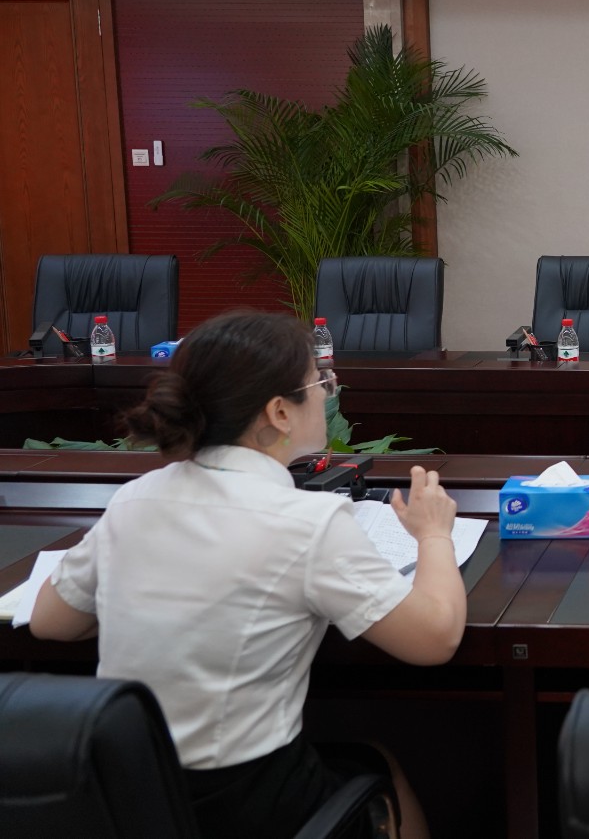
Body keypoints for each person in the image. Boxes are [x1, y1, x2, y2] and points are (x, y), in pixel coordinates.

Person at [30, 310, 467, 839]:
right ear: (279, 412)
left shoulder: (135, 499)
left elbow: (51, 621)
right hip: (241, 805)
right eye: (320, 382)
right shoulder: (308, 521)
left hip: (129, 791)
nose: (327, 394)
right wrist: (434, 534)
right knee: (378, 765)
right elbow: (435, 638)